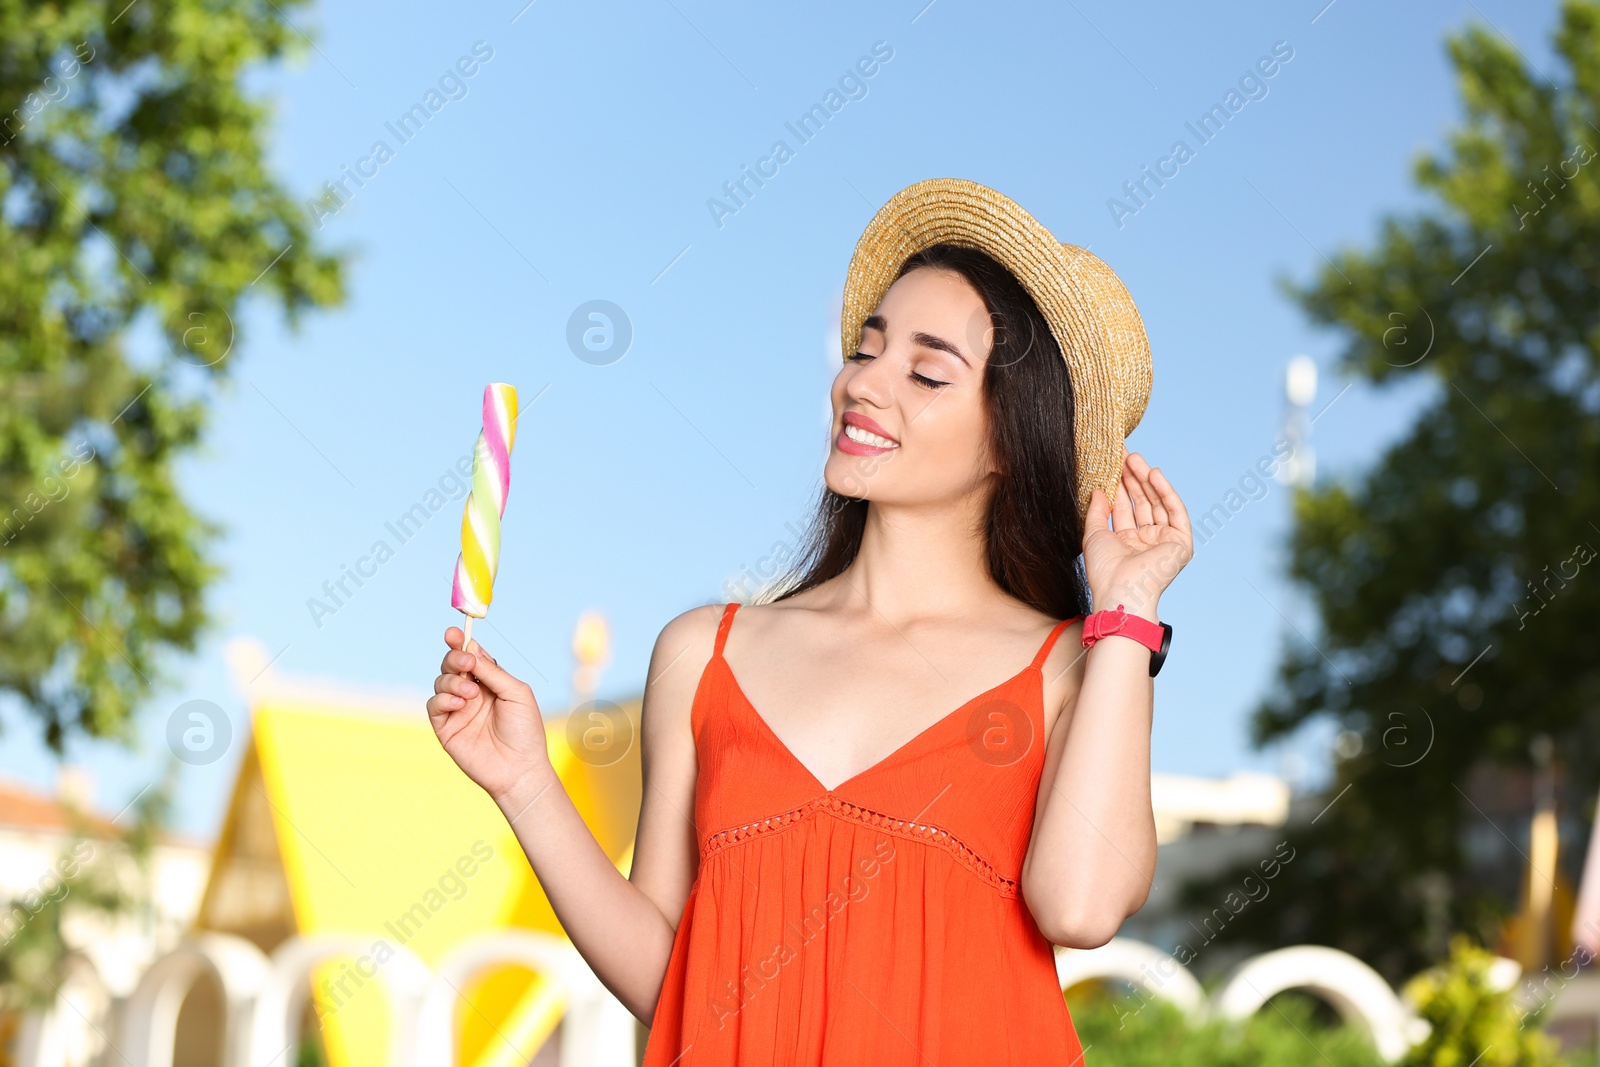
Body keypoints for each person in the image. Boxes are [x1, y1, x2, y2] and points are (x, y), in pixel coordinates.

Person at [427, 177, 1192, 1063]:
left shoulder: (1069, 666)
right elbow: (678, 985)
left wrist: (1127, 615)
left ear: (1005, 438)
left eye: (927, 371)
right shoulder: (703, 651)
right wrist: (525, 783)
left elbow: (1082, 906)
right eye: (867, 349)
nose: (866, 383)